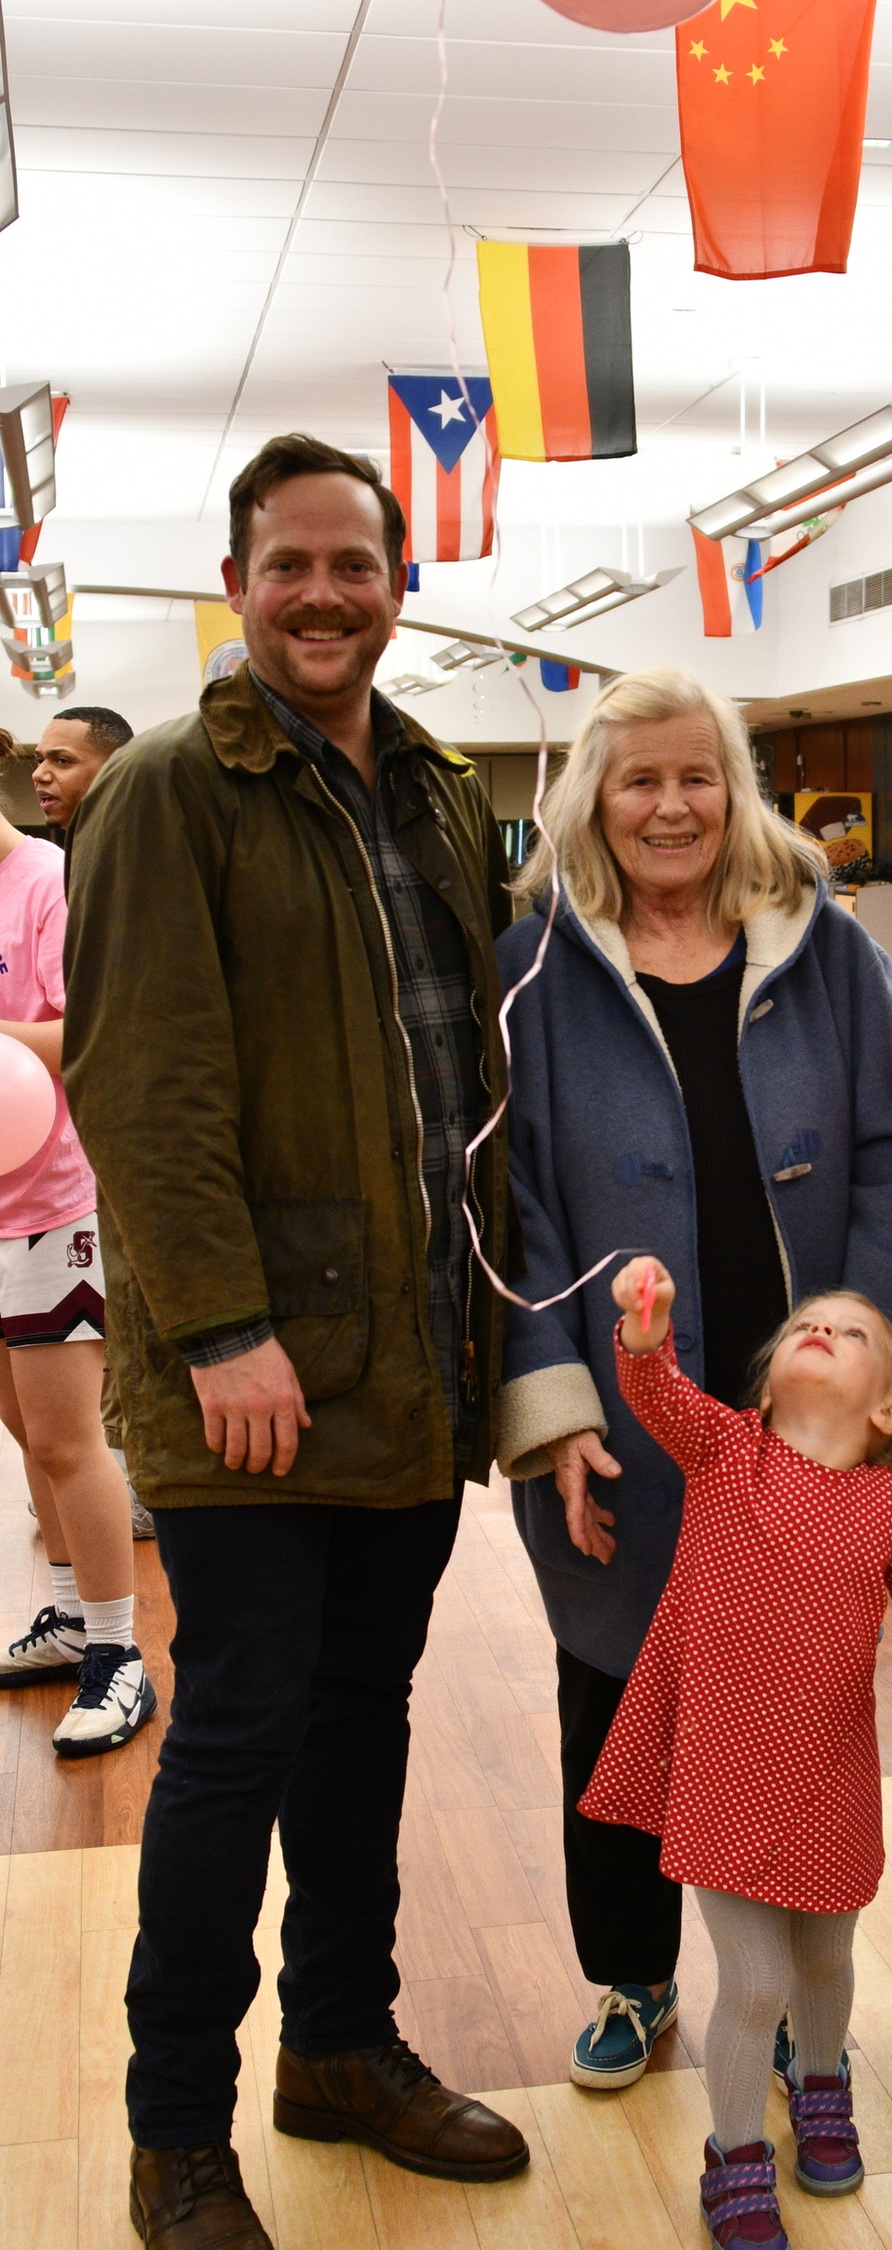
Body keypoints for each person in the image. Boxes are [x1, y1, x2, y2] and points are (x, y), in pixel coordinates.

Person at [64, 433, 528, 2250]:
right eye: (290, 565)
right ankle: (177, 2126)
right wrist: (225, 1330)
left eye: (357, 563)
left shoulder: (424, 784)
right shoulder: (171, 791)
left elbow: (465, 1065)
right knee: (238, 1734)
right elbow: (142, 1086)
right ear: (238, 583)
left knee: (363, 1718)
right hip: (249, 1378)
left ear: (397, 581)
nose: (325, 594)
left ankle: (341, 2043)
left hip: (412, 1362)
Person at [495, 666, 892, 2092]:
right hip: (635, 1407)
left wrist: (878, 1363)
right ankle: (634, 1976)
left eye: (698, 774)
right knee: (620, 1684)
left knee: (803, 1696)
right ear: (591, 797)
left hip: (805, 1408)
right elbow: (516, 1210)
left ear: (735, 786)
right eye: (638, 779)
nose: (671, 804)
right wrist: (557, 1408)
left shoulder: (827, 949)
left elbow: (889, 1152)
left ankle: (804, 1982)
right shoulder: (534, 964)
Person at [582, 1257, 892, 2250]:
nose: (825, 1333)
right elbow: (654, 1392)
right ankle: (734, 2152)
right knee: (755, 1983)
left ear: (889, 1410)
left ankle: (825, 2080)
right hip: (721, 1765)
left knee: (828, 1957)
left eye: (853, 1336)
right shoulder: (727, 1451)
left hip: (829, 1772)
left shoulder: (889, 1510)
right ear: (764, 1387)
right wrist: (644, 1329)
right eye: (812, 1325)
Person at [0, 719, 154, 1755]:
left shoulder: (49, 879)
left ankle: (118, 1652)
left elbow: (89, 1026)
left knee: (67, 1436)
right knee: (22, 1428)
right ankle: (64, 1615)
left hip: (52, 1196)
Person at [25, 707, 156, 1540]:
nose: (42, 775)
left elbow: (110, 1021)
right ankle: (108, 1482)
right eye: (37, 759)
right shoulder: (74, 860)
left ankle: (128, 1485)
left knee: (127, 1332)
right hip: (71, 1146)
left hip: (112, 1145)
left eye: (62, 761)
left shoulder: (106, 870)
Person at [31, 706, 135, 831]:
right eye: (39, 761)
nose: (37, 775)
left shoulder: (147, 844)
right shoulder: (87, 846)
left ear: (113, 769)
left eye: (62, 761)